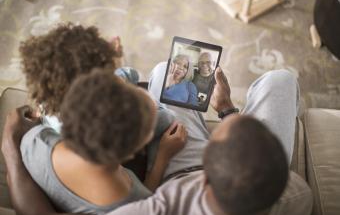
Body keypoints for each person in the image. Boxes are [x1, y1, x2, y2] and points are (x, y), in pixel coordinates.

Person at [3, 62, 313, 215]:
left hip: (175, 173)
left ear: (204, 173)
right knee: (280, 80)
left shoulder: (151, 207)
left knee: (164, 71)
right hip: (259, 193)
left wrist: (9, 146)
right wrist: (228, 110)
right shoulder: (284, 190)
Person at [8, 70, 187, 215]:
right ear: (136, 150)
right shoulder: (135, 201)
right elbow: (149, 197)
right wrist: (163, 156)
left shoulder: (35, 140)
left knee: (128, 78)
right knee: (165, 116)